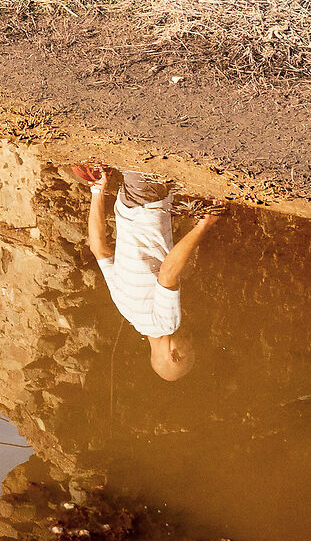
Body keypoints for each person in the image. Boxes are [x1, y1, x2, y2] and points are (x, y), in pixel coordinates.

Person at [72, 163, 225, 381]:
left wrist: (204, 225)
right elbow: (99, 249)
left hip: (149, 199)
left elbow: (167, 273)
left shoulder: (166, 324)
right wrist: (98, 190)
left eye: (189, 349)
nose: (190, 340)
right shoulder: (126, 311)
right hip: (127, 202)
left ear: (174, 355)